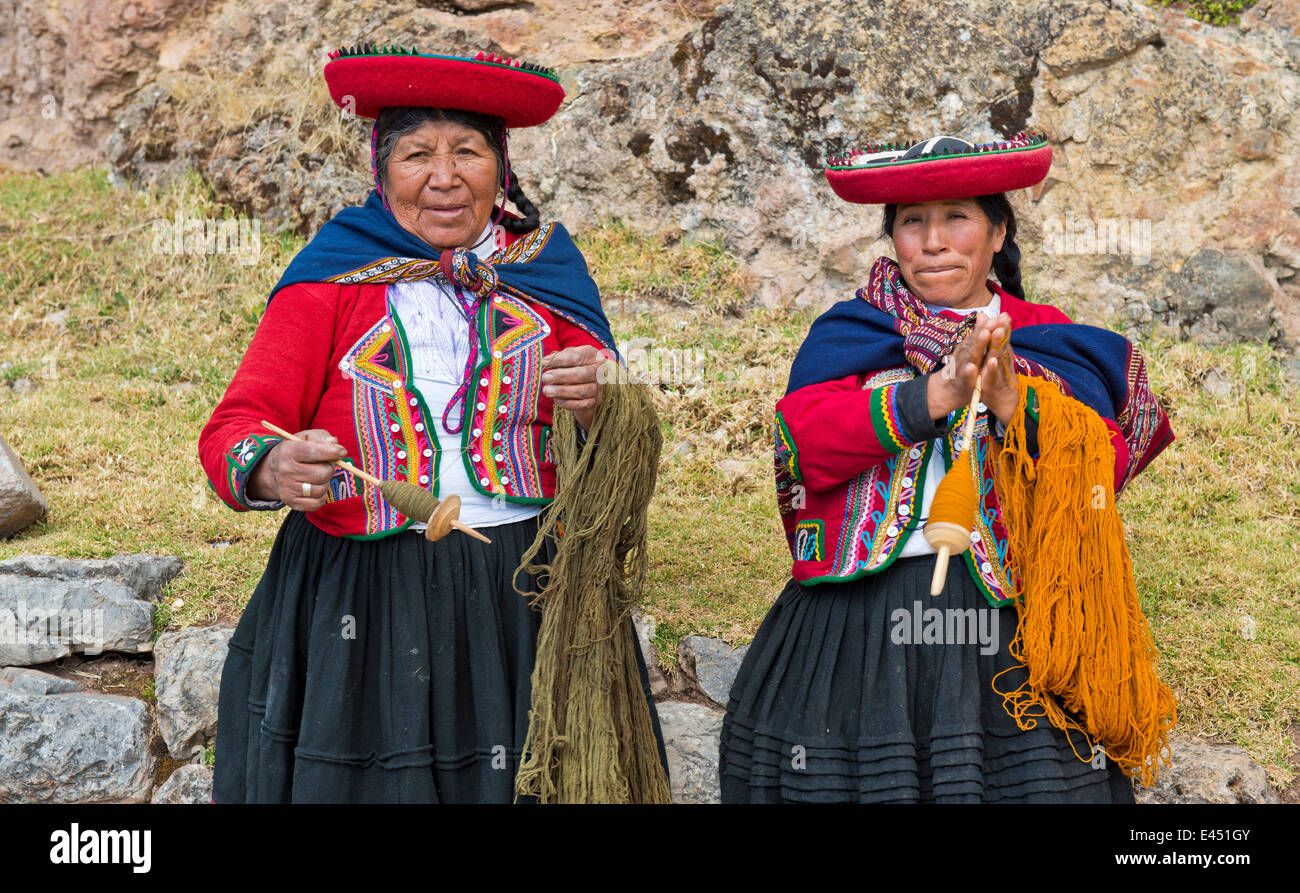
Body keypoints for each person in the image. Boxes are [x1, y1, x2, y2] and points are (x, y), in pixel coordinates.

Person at [199, 45, 667, 803]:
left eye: (468, 151)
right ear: (380, 173)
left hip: (525, 586)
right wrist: (271, 465)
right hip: (364, 589)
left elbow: (618, 430)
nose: (444, 177)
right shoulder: (331, 280)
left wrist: (601, 398)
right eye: (417, 154)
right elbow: (235, 426)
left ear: (502, 168)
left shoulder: (547, 274)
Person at [719, 132, 1176, 803]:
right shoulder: (850, 332)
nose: (933, 241)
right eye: (912, 221)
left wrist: (1013, 405)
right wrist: (929, 397)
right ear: (893, 237)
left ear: (998, 232)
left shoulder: (1050, 337)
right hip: (856, 623)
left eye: (957, 216)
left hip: (1011, 626)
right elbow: (803, 445)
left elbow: (1100, 462)